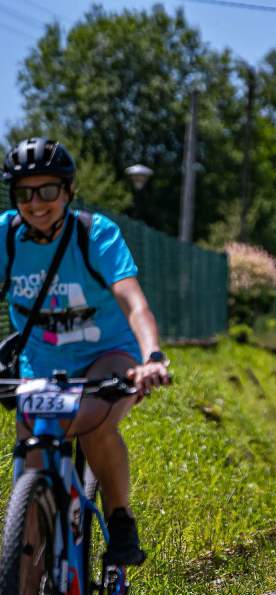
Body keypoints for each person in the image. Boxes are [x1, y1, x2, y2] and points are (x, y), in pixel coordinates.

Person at [1, 137, 170, 566]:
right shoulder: (5, 238)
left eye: (48, 190)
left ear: (68, 191)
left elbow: (134, 302)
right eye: (25, 193)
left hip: (110, 358)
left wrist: (152, 358)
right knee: (33, 460)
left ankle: (119, 520)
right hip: (40, 366)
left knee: (94, 423)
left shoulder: (95, 235)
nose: (36, 203)